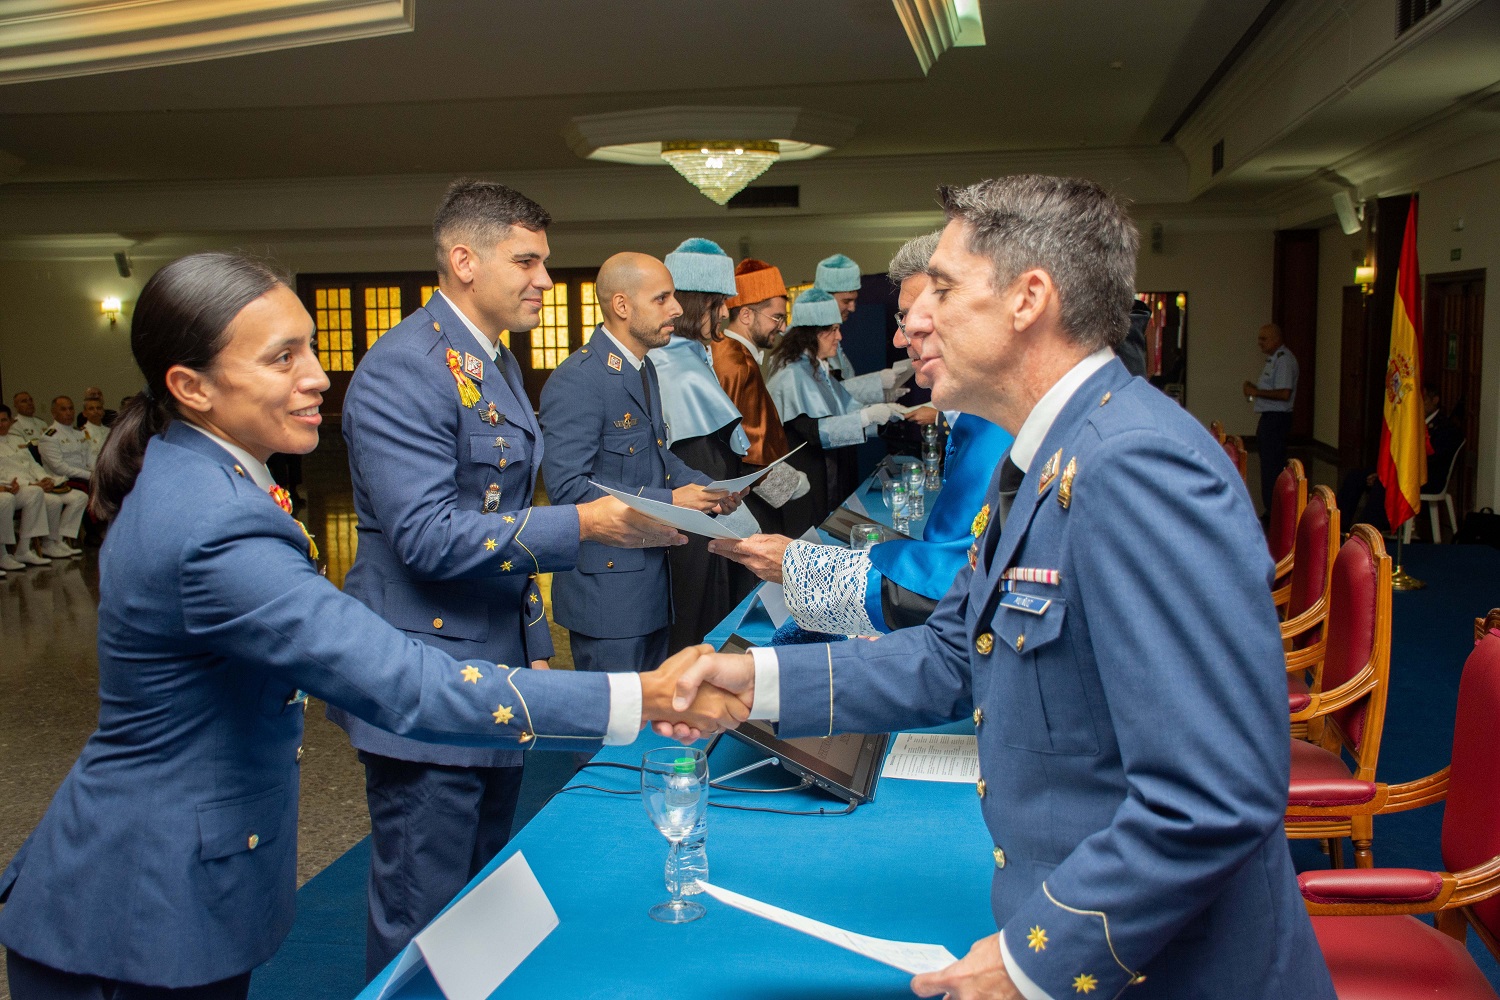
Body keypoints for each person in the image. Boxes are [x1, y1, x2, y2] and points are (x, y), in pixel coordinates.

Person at [0, 251, 747, 1000]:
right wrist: (640, 696)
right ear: (191, 387)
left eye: (311, 349)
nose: (318, 376)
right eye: (282, 357)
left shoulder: (206, 476)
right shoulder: (211, 525)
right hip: (135, 908)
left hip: (170, 881)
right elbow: (400, 677)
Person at [674, 175, 1336, 1000]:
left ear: (1030, 298)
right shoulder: (1043, 453)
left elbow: (1213, 794)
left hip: (1164, 968)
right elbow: (954, 654)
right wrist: (757, 682)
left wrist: (1036, 960)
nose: (913, 317)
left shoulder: (1135, 465)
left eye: (944, 289)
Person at [327, 181, 691, 978]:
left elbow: (497, 512)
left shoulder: (484, 360)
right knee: (425, 910)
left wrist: (531, 643)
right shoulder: (406, 368)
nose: (542, 280)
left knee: (480, 891)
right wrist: (588, 525)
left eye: (544, 262)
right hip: (423, 677)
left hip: (489, 667)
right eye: (525, 261)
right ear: (464, 260)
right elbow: (427, 537)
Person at [712, 233, 1011, 636]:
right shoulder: (752, 362)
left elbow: (949, 579)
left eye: (914, 322)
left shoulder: (997, 421)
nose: (899, 340)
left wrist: (805, 567)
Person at [540, 251, 734, 682]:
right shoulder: (579, 379)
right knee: (615, 730)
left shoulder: (644, 370)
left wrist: (708, 489)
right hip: (608, 590)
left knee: (647, 721)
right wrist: (670, 500)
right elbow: (568, 490)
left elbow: (658, 456)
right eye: (662, 299)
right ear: (622, 306)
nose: (678, 309)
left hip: (648, 578)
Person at [648, 238, 762, 645]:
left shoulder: (691, 354)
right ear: (699, 304)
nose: (727, 313)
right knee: (696, 622)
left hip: (712, 514)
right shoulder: (674, 365)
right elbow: (695, 457)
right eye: (719, 303)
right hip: (694, 526)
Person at [765, 288, 904, 533]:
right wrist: (866, 417)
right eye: (833, 330)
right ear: (812, 334)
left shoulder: (817, 370)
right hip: (806, 480)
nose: (839, 337)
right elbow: (814, 431)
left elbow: (844, 409)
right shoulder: (791, 376)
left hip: (828, 475)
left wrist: (878, 415)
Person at [711, 258, 807, 536]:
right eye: (777, 317)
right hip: (747, 501)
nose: (782, 327)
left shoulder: (737, 356)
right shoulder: (734, 364)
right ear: (746, 315)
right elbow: (736, 450)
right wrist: (788, 485)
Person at [1338, 383, 1464, 532]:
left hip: (1425, 477)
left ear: (1435, 400)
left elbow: (1431, 461)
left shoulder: (1445, 428)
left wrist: (1390, 475)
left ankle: (1367, 532)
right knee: (1356, 477)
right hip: (1401, 470)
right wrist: (1383, 472)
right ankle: (1338, 527)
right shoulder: (1412, 422)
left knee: (1383, 484)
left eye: (1422, 399)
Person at [813, 252, 913, 400]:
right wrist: (876, 382)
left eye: (854, 300)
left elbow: (842, 393)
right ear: (824, 298)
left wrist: (882, 395)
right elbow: (820, 396)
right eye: (846, 301)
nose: (853, 308)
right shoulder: (802, 342)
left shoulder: (831, 335)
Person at [0, 405, 85, 561]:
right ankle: (13, 552)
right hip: (12, 488)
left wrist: (45, 479)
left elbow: (32, 464)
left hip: (29, 487)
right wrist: (31, 485)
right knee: (33, 494)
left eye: (4, 420)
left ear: (10, 421)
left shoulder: (16, 439)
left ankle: (48, 543)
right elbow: (4, 474)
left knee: (53, 501)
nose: (1, 424)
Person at [1243, 322, 1298, 517]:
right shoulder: (1273, 359)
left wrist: (1256, 392)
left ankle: (1276, 511)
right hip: (1269, 418)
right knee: (1266, 466)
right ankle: (1270, 508)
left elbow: (1284, 393)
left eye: (1264, 339)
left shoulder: (1283, 360)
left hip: (1277, 419)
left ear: (1276, 339)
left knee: (1273, 466)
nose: (1260, 343)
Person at [37, 396, 94, 487]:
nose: (68, 413)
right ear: (54, 413)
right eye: (63, 409)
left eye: (71, 409)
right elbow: (59, 468)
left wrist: (96, 472)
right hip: (65, 479)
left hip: (85, 476)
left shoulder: (80, 433)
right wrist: (89, 475)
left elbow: (90, 458)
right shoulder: (49, 437)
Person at [81, 395, 112, 467]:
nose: (96, 411)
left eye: (99, 408)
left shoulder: (110, 432)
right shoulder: (80, 433)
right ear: (84, 413)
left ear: (103, 412)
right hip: (90, 473)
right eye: (91, 409)